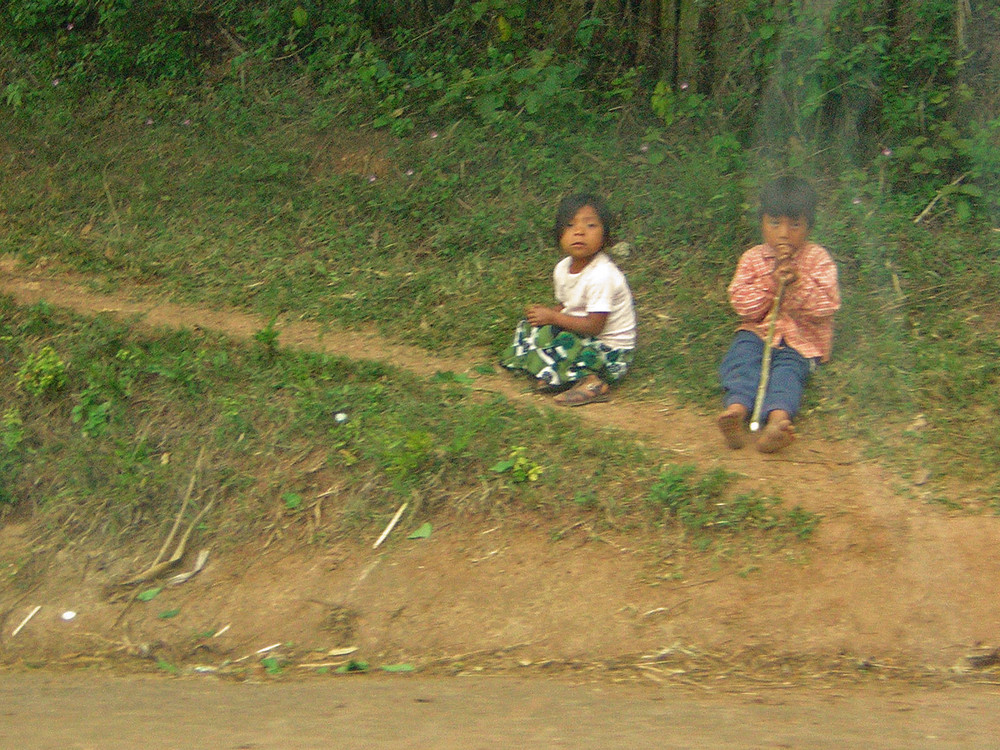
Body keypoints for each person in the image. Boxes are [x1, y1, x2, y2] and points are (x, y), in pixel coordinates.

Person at [717, 176, 840, 452]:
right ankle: (736, 411)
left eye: (794, 224)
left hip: (801, 342)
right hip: (758, 333)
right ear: (761, 223)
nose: (784, 233)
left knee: (787, 374)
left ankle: (777, 422)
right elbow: (742, 305)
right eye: (775, 223)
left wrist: (798, 284)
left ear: (809, 227)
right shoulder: (752, 259)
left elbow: (826, 307)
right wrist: (772, 284)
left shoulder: (818, 260)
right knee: (742, 358)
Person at [502, 192, 637, 407]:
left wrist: (553, 318)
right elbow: (568, 305)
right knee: (532, 328)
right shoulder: (562, 268)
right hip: (582, 333)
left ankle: (593, 382)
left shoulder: (602, 275)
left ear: (606, 236)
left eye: (590, 225)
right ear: (559, 235)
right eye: (570, 225)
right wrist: (546, 316)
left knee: (563, 340)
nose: (579, 232)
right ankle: (554, 375)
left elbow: (594, 327)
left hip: (609, 350)